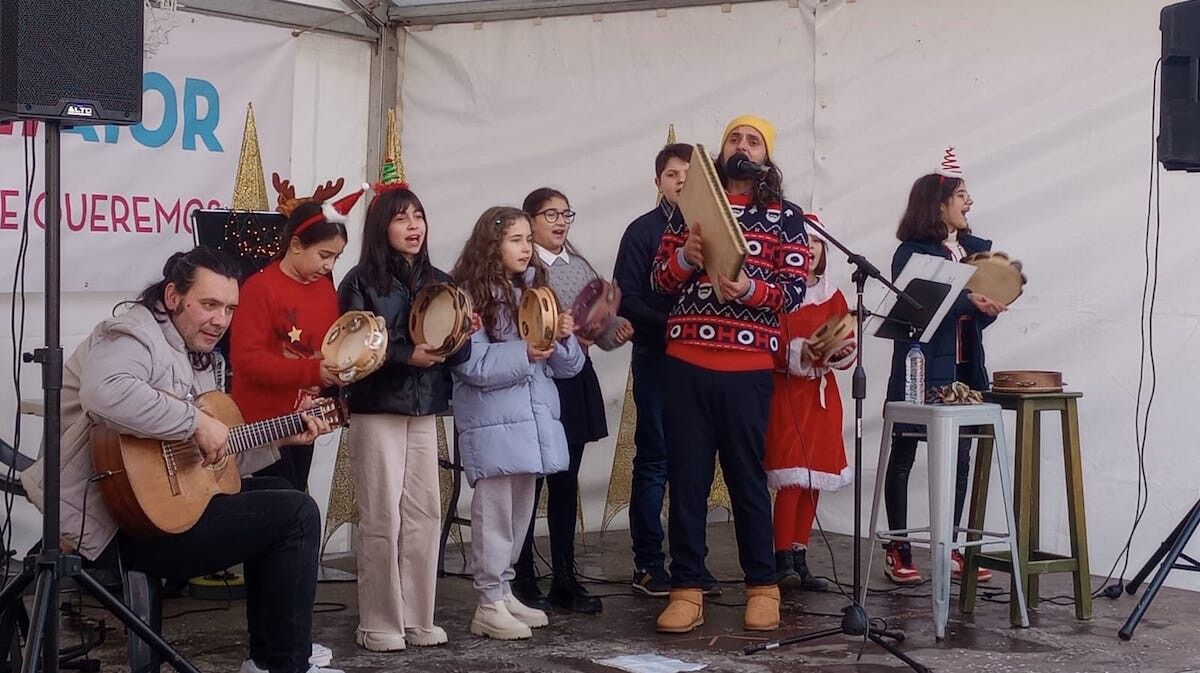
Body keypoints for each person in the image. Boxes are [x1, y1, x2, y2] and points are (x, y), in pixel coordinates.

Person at [20, 247, 338, 673]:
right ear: (173, 297)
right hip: (113, 520)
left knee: (281, 491)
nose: (221, 320)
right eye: (209, 305)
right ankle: (284, 664)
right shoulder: (131, 332)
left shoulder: (202, 356)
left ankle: (271, 659)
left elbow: (213, 464)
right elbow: (106, 393)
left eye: (229, 308)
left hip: (164, 510)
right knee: (295, 512)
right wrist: (196, 423)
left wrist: (279, 440)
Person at [650, 115, 810, 634]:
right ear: (720, 151)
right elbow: (659, 279)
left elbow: (792, 291)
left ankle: (762, 585)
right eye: (734, 139)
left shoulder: (786, 217)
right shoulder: (688, 209)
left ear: (767, 156)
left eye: (754, 140)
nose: (743, 147)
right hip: (687, 361)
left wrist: (750, 292)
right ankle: (686, 588)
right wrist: (684, 258)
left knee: (746, 478)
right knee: (688, 479)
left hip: (747, 368)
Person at [337, 182, 471, 651]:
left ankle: (419, 618)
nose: (413, 226)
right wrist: (403, 354)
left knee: (424, 514)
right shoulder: (359, 282)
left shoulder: (441, 279)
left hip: (425, 406)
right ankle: (378, 622)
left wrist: (459, 336)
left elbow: (459, 351)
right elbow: (349, 349)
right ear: (381, 227)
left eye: (418, 216)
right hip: (377, 408)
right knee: (381, 517)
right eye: (401, 218)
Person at [451, 206, 584, 640]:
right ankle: (487, 601)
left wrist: (561, 336)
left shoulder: (537, 292)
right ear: (492, 244)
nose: (526, 248)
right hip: (492, 423)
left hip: (530, 422)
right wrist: (525, 352)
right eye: (516, 240)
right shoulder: (469, 296)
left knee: (520, 514)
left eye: (529, 239)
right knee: (494, 514)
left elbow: (568, 369)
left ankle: (504, 591)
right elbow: (471, 364)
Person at [881, 148, 1004, 585]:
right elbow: (918, 307)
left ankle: (952, 546)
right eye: (962, 196)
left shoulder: (975, 250)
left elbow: (975, 314)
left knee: (961, 456)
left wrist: (988, 306)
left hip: (965, 367)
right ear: (939, 205)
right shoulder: (910, 253)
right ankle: (898, 544)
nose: (969, 204)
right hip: (921, 367)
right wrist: (966, 301)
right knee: (905, 452)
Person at [510, 187, 632, 614]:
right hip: (537, 381)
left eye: (566, 214)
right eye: (550, 215)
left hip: (574, 379)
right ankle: (521, 575)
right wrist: (564, 333)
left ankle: (564, 576)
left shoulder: (579, 266)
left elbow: (596, 330)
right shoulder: (521, 269)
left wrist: (613, 331)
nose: (560, 223)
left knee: (566, 480)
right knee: (530, 481)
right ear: (529, 221)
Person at [613, 143, 719, 597]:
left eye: (690, 176)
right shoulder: (643, 232)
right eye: (673, 175)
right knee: (655, 460)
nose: (681, 183)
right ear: (658, 181)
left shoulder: (717, 231)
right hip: (659, 356)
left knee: (694, 464)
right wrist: (676, 324)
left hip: (706, 361)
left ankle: (691, 564)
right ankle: (649, 563)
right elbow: (627, 299)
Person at [230, 186, 363, 490]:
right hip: (261, 425)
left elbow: (327, 347)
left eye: (336, 257)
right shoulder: (260, 288)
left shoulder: (323, 289)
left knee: (296, 497)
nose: (329, 266)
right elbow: (247, 361)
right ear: (296, 245)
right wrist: (312, 371)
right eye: (324, 255)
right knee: (273, 501)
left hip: (305, 418)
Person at [763, 223, 855, 591]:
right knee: (791, 478)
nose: (811, 248)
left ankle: (800, 557)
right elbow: (768, 342)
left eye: (816, 242)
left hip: (821, 395)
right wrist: (799, 352)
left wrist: (840, 352)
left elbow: (845, 337)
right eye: (803, 241)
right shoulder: (779, 294)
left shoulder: (833, 296)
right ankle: (780, 556)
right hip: (787, 393)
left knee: (815, 476)